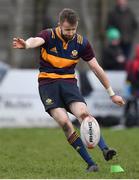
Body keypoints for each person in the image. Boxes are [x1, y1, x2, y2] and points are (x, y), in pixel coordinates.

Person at [13, 8, 125, 172]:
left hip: (68, 84)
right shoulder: (48, 35)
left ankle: (106, 149)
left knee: (84, 116)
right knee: (65, 123)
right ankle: (91, 163)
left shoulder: (81, 43)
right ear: (59, 25)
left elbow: (96, 68)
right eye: (67, 29)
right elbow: (35, 40)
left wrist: (112, 94)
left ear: (77, 26)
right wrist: (27, 45)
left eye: (73, 29)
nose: (70, 33)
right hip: (48, 85)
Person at [124, 44, 139, 127]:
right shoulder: (133, 63)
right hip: (134, 88)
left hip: (134, 87)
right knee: (131, 102)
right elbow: (129, 77)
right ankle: (129, 120)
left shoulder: (133, 63)